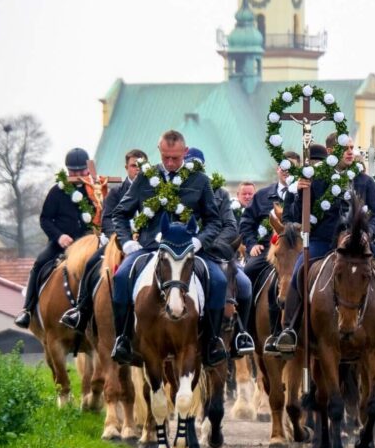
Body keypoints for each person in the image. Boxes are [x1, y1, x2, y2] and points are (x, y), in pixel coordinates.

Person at [273, 137, 375, 355]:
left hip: (359, 244)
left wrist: (368, 234)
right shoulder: (316, 179)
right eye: (345, 148)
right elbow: (292, 218)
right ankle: (289, 330)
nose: (350, 152)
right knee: (298, 270)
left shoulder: (365, 181)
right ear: (331, 150)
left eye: (352, 148)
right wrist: (297, 193)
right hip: (322, 242)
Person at [109, 130, 228, 367]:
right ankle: (123, 338)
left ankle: (212, 341)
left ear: (185, 152)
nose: (170, 163)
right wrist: (127, 242)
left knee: (219, 281)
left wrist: (200, 240)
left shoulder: (200, 180)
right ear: (159, 152)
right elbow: (120, 213)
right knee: (121, 277)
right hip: (151, 248)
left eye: (175, 158)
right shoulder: (146, 177)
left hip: (188, 250)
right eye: (165, 158)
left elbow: (214, 220)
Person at [60, 148, 147, 330]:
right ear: (126, 167)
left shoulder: (153, 191)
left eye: (141, 165)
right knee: (93, 262)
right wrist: (116, 237)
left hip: (147, 241)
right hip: (120, 241)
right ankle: (81, 311)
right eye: (133, 166)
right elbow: (108, 218)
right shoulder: (116, 193)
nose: (137, 169)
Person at [15, 148, 102, 329]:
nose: (78, 175)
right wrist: (59, 236)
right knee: (39, 263)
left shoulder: (96, 191)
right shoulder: (57, 191)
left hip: (90, 244)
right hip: (62, 244)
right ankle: (28, 310)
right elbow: (45, 219)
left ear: (88, 169)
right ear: (67, 171)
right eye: (73, 172)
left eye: (81, 171)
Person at [185, 147, 255, 358]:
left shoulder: (220, 193)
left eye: (198, 166)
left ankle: (239, 336)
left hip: (214, 254)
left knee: (244, 285)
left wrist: (208, 243)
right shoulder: (176, 191)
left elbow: (231, 226)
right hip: (182, 253)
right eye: (189, 166)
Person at [241, 152, 299, 353]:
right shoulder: (263, 195)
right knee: (246, 274)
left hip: (295, 252)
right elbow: (246, 223)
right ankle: (244, 331)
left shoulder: (304, 195)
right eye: (283, 167)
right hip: (267, 251)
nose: (286, 171)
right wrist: (251, 245)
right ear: (278, 170)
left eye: (291, 168)